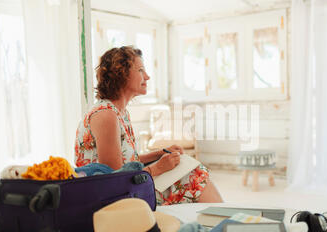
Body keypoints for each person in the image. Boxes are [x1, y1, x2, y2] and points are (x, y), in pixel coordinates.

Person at [74, 46, 223, 205]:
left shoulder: (120, 112)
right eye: (140, 70)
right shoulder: (106, 115)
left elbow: (128, 162)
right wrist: (158, 168)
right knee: (192, 177)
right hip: (108, 200)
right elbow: (115, 181)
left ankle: (222, 222)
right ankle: (225, 224)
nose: (147, 76)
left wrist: (162, 152)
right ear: (122, 75)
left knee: (191, 170)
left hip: (124, 189)